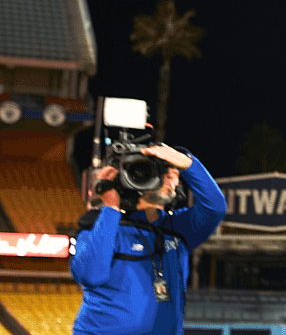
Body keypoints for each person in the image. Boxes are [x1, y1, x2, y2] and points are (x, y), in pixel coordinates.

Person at [71, 143, 226, 335]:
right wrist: (111, 208)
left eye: (175, 176)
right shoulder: (103, 226)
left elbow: (216, 208)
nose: (171, 180)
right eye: (163, 173)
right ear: (140, 176)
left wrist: (187, 163)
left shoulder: (179, 228)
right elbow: (91, 275)